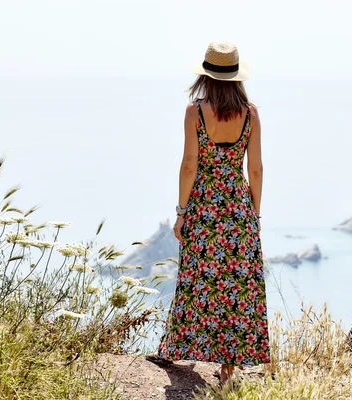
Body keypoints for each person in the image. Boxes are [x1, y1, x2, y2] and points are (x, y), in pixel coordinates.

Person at [145, 41, 271, 386]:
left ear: (206, 75)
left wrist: (182, 213)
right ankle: (229, 365)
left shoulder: (195, 111)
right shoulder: (251, 113)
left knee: (197, 279)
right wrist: (253, 215)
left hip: (203, 207)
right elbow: (255, 169)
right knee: (237, 284)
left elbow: (189, 165)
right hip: (238, 208)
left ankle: (178, 346)